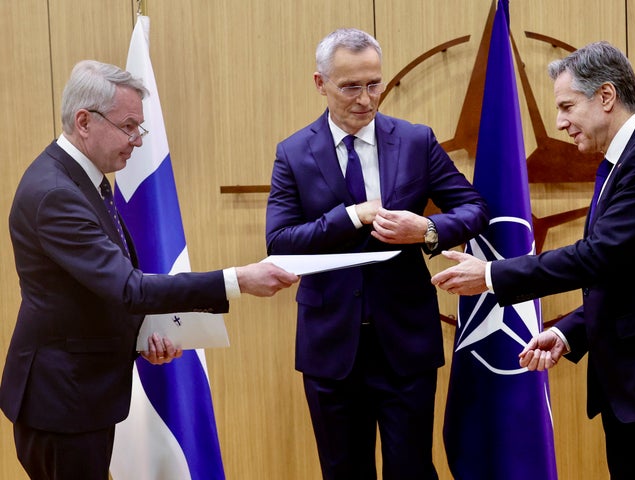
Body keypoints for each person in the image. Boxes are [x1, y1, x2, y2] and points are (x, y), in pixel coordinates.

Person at [431, 41, 635, 478]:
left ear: (606, 96)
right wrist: (568, 333)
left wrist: (492, 274)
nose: (561, 122)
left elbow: (601, 255)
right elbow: (632, 275)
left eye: (567, 106)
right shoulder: (622, 162)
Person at [0, 59, 298, 480]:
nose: (137, 140)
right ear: (84, 121)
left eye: (140, 127)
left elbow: (93, 288)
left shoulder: (82, 179)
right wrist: (238, 280)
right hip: (62, 403)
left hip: (81, 393)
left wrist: (141, 335)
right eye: (128, 126)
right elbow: (128, 288)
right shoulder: (55, 193)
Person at [265, 28, 488, 480]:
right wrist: (349, 217)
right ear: (320, 83)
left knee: (411, 469)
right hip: (331, 347)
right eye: (350, 86)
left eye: (374, 84)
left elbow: (475, 208)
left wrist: (425, 228)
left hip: (405, 342)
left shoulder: (415, 141)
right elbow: (280, 241)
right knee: (343, 471)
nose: (365, 99)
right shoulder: (292, 153)